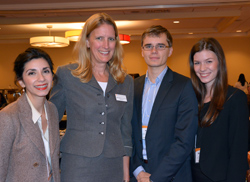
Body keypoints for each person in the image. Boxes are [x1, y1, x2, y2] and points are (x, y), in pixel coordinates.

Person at [49, 13, 133, 182]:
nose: (106, 45)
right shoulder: (66, 75)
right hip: (77, 164)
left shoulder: (126, 81)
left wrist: (125, 171)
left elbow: (125, 130)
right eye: (99, 38)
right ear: (87, 41)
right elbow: (50, 121)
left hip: (114, 164)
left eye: (111, 39)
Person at [130, 25, 198, 182]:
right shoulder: (132, 86)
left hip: (171, 175)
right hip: (138, 175)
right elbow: (127, 133)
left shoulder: (184, 86)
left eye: (160, 46)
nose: (154, 51)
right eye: (148, 46)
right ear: (142, 51)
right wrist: (137, 171)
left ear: (170, 50)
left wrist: (156, 178)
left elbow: (184, 141)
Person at [189, 38, 249, 182]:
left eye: (209, 61)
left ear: (220, 62)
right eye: (197, 63)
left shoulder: (234, 98)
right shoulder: (191, 97)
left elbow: (238, 153)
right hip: (191, 175)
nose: (202, 68)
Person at [0, 47, 60, 182]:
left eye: (46, 71)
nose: (41, 78)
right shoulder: (8, 117)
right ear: (21, 81)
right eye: (32, 73)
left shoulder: (52, 110)